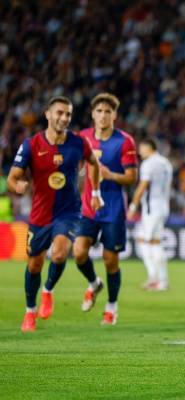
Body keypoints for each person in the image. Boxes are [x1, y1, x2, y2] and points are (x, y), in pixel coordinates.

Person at [7, 96, 102, 332]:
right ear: (48, 115)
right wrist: (18, 185)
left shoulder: (78, 143)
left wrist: (95, 192)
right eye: (59, 113)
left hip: (68, 212)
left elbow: (94, 163)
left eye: (68, 114)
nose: (64, 118)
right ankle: (30, 311)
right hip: (40, 214)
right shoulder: (31, 144)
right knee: (34, 266)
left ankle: (48, 291)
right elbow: (12, 177)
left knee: (59, 254)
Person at [74, 93, 138, 326]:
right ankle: (94, 283)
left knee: (110, 260)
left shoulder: (125, 141)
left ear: (115, 115)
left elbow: (131, 177)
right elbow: (75, 167)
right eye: (99, 111)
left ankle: (111, 306)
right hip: (88, 207)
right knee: (79, 252)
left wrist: (111, 175)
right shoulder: (82, 137)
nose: (103, 115)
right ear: (93, 114)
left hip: (113, 208)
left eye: (108, 111)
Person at [127, 138, 173, 291]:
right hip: (163, 206)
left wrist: (133, 206)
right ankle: (157, 278)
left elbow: (142, 186)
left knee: (149, 242)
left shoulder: (148, 164)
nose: (139, 152)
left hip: (152, 209)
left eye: (141, 148)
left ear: (149, 148)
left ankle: (158, 279)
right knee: (150, 241)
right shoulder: (165, 163)